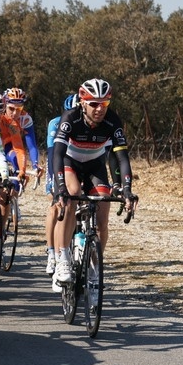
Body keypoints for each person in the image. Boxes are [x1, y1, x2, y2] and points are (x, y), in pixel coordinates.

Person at [51, 78, 138, 287]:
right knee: (71, 195)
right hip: (69, 162)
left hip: (94, 165)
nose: (100, 109)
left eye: (104, 104)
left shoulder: (112, 121)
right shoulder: (70, 118)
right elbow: (57, 154)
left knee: (103, 211)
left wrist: (126, 189)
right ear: (83, 102)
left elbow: (122, 158)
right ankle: (62, 260)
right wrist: (60, 187)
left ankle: (94, 266)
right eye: (94, 104)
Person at [44, 93, 77, 276]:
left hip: (77, 166)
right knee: (56, 207)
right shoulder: (56, 123)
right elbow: (52, 154)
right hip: (59, 165)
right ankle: (51, 252)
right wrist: (53, 181)